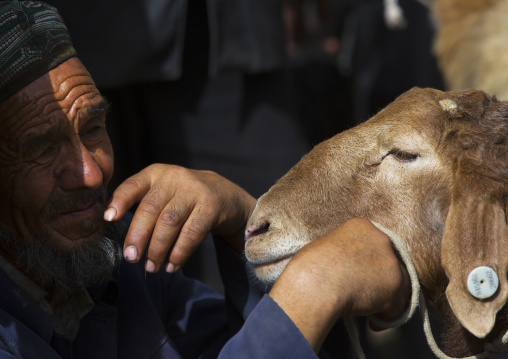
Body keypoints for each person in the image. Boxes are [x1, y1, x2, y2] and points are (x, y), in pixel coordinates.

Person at [0, 1, 409, 358]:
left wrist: (243, 220)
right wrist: (312, 287)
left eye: (92, 129)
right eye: (42, 150)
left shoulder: (118, 267)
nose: (90, 173)